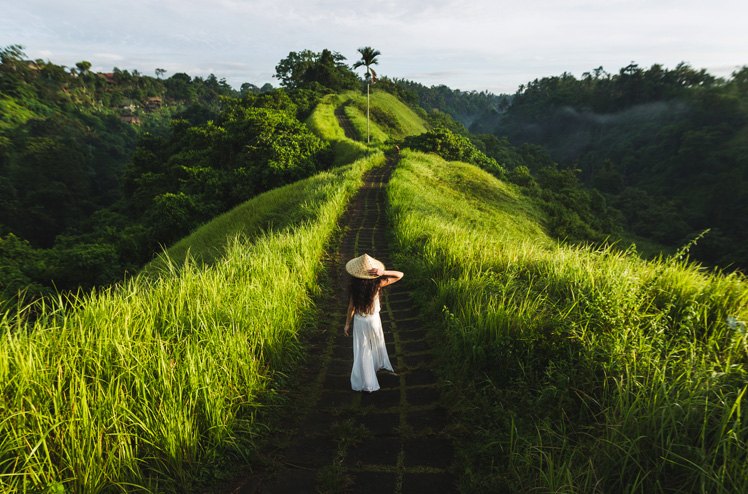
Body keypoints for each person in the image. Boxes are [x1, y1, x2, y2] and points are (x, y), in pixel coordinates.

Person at [343, 253, 403, 392]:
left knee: (363, 350)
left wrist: (347, 324)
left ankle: (367, 382)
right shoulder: (377, 284)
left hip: (360, 322)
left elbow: (351, 308)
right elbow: (400, 274)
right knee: (376, 344)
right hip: (374, 320)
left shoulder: (354, 287)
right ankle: (376, 368)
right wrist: (383, 272)